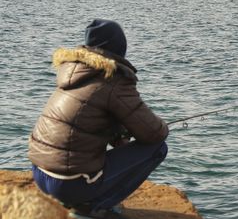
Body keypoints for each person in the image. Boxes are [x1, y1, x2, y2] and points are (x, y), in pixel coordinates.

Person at [28, 19, 169, 218]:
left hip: (40, 173)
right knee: (158, 148)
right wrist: (160, 126)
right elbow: (154, 133)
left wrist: (118, 133)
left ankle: (78, 201)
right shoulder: (114, 80)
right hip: (70, 182)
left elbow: (86, 117)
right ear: (119, 47)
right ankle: (93, 207)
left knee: (120, 145)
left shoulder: (72, 73)